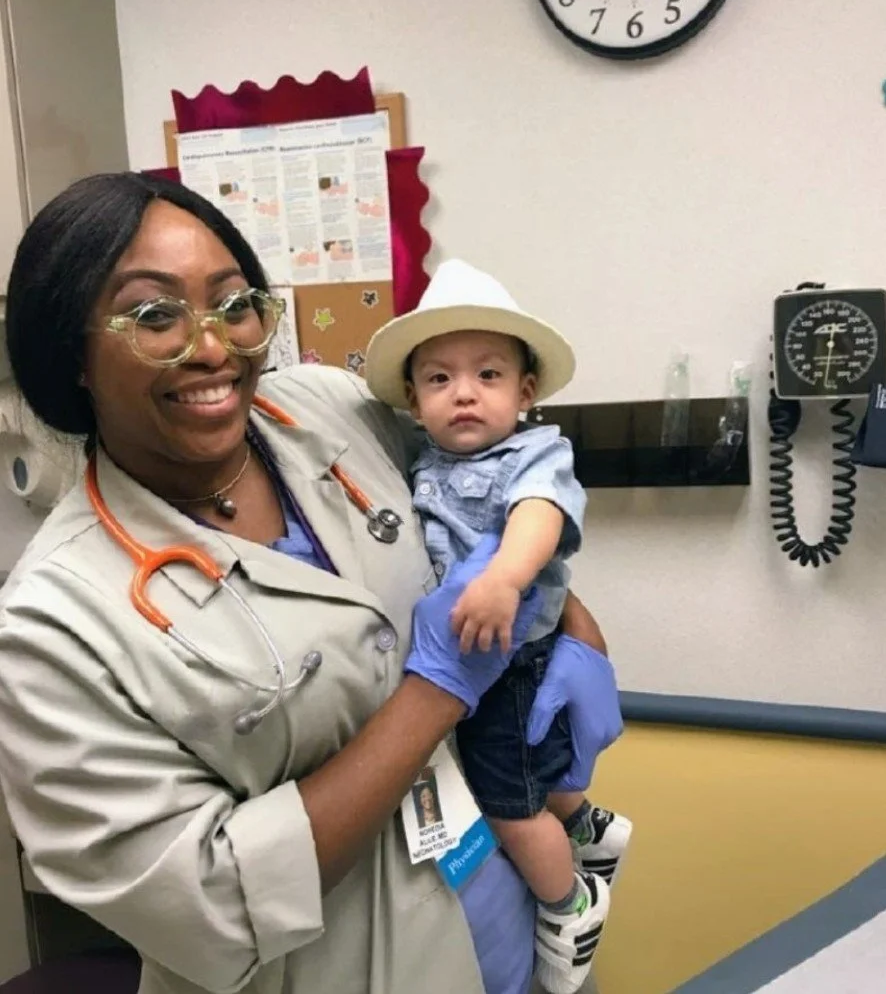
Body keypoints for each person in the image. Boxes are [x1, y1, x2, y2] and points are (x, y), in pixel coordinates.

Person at [0, 172, 623, 994]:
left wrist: (564, 623)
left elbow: (484, 504)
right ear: (68, 352)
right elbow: (212, 907)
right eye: (154, 316)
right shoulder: (50, 626)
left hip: (499, 924)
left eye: (233, 303)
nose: (214, 346)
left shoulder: (332, 412)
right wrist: (436, 688)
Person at [365, 260, 633, 994]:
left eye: (487, 375)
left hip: (510, 662)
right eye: (439, 379)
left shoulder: (533, 453)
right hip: (471, 664)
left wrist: (502, 579)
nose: (463, 394)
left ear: (525, 394)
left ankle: (567, 904)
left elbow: (539, 515)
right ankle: (588, 825)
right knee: (532, 772)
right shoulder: (421, 460)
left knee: (509, 806)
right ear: (413, 401)